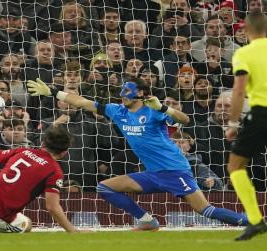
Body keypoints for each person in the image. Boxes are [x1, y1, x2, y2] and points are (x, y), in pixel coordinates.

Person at [27, 77, 248, 231]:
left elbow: (185, 120)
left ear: (140, 93)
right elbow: (81, 102)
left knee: (204, 210)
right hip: (152, 173)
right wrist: (53, 91)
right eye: (122, 90)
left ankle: (248, 221)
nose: (123, 94)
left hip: (175, 170)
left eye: (128, 90)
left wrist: (163, 108)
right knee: (105, 187)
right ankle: (147, 221)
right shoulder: (117, 111)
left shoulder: (153, 111)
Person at [225, 12, 267, 241]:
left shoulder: (244, 53)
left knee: (236, 166)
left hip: (261, 113)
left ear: (247, 30)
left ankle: (255, 219)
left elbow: (239, 89)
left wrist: (232, 123)